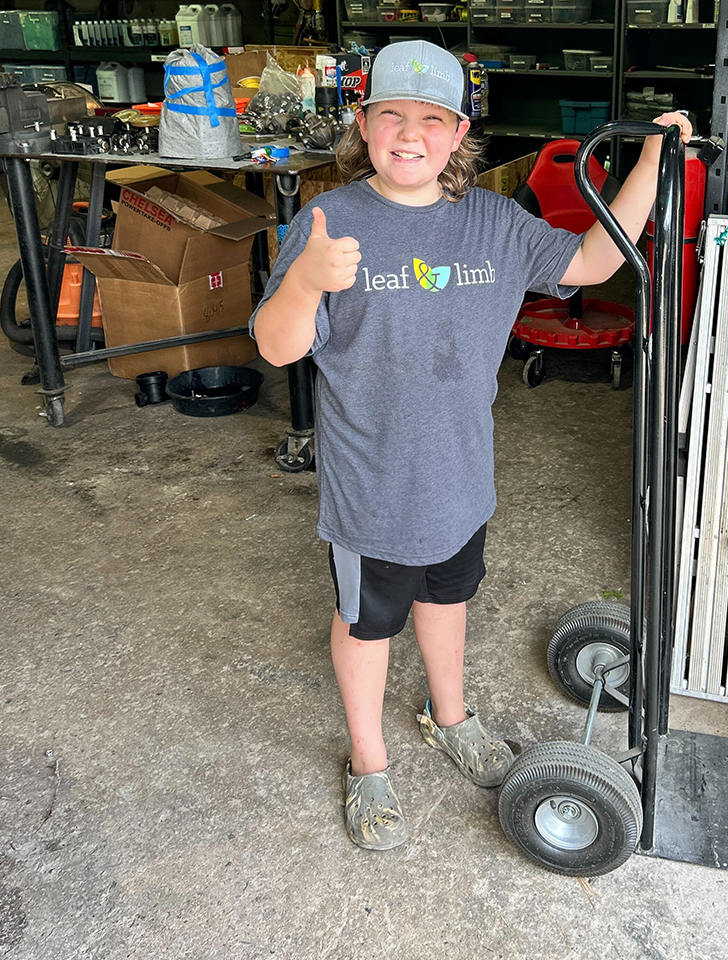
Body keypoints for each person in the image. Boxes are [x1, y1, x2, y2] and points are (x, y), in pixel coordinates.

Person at [251, 39, 692, 851]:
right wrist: (307, 281)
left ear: (459, 133)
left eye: (431, 119)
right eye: (390, 115)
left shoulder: (494, 222)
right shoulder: (328, 223)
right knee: (366, 624)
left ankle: (448, 716)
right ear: (363, 124)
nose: (408, 134)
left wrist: (652, 159)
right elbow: (278, 348)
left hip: (460, 478)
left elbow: (595, 259)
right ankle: (368, 763)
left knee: (448, 598)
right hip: (372, 489)